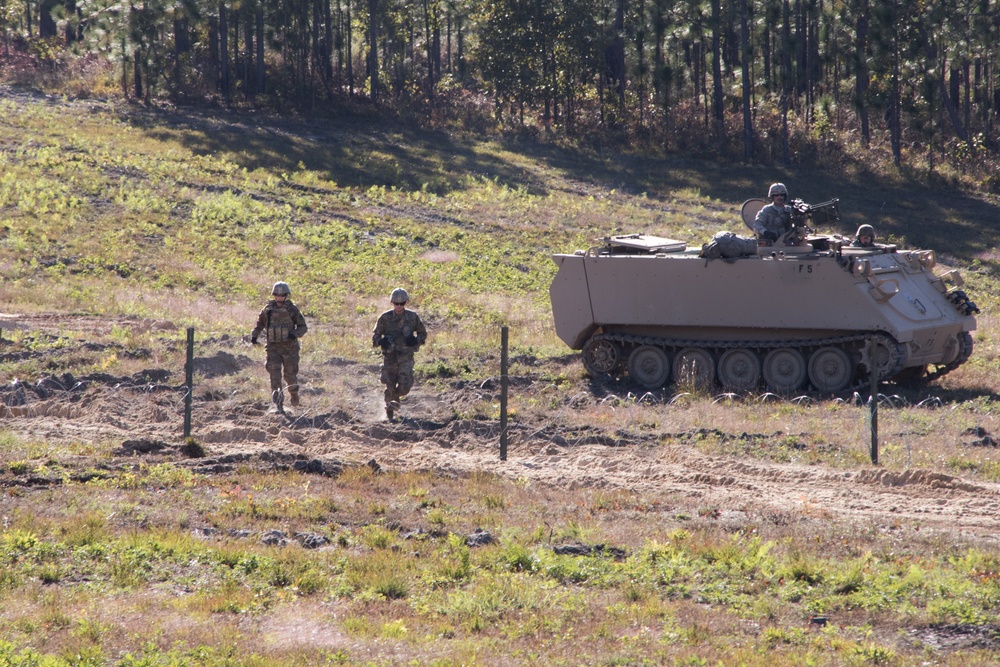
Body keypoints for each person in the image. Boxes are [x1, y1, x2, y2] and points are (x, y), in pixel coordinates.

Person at [372, 288, 427, 421]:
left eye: (402, 303)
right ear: (392, 303)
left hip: (406, 357)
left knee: (405, 387)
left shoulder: (413, 317)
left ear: (406, 302)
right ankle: (390, 410)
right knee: (390, 385)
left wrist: (416, 340)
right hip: (390, 358)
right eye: (396, 304)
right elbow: (375, 337)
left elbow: (423, 333)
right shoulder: (384, 318)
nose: (399, 306)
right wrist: (381, 341)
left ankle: (395, 399)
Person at [251, 281, 308, 410]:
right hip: (273, 348)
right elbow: (259, 324)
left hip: (290, 349)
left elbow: (303, 326)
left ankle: (294, 393)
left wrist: (295, 334)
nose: (280, 297)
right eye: (277, 294)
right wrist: (254, 336)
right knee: (274, 375)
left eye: (282, 295)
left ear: (286, 295)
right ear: (274, 295)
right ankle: (279, 406)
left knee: (290, 376)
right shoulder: (268, 310)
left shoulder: (292, 310)